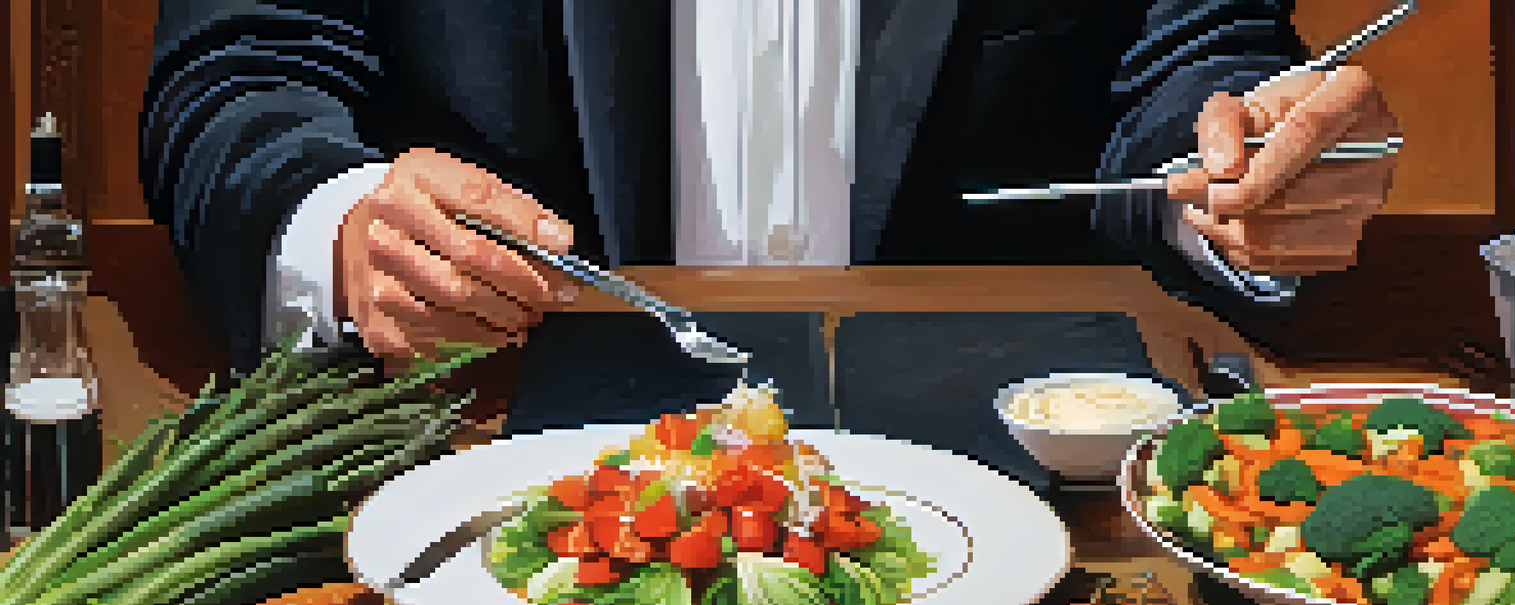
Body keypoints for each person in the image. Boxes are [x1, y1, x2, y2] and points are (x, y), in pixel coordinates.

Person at [141, 0, 1398, 378]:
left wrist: (1253, 172)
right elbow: (240, 71)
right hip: (486, 444)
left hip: (1005, 472)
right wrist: (346, 226)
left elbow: (1188, 59)